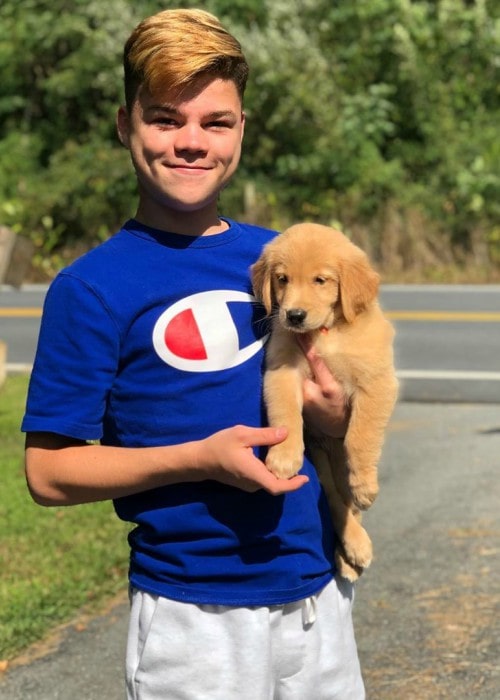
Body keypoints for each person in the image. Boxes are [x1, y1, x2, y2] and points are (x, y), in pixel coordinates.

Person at [22, 8, 365, 699]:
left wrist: (333, 418)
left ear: (241, 129)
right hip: (193, 615)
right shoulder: (91, 286)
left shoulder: (282, 256)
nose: (190, 143)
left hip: (315, 592)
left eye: (215, 122)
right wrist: (199, 459)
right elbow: (49, 473)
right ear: (125, 126)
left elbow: (335, 397)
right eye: (164, 119)